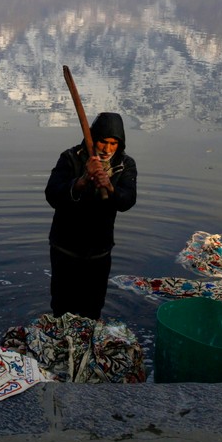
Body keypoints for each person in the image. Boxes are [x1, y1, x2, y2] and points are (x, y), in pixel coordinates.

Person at [44, 111, 137, 320]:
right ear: (94, 139)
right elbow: (52, 194)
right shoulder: (70, 158)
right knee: (62, 307)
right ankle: (62, 345)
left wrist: (110, 189)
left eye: (114, 143)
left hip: (99, 250)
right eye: (103, 142)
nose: (107, 149)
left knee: (93, 307)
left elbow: (128, 200)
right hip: (65, 247)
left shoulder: (125, 165)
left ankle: (87, 345)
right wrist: (82, 181)